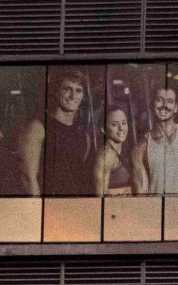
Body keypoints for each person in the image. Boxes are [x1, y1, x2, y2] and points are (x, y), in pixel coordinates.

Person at [19, 68, 96, 196]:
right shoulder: (38, 128)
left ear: (83, 95)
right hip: (48, 209)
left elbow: (78, 179)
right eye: (67, 89)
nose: (73, 96)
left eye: (78, 91)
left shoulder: (84, 136)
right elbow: (27, 178)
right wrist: (39, 212)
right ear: (56, 91)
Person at [94, 106, 135, 196]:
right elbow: (100, 197)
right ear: (103, 129)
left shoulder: (119, 152)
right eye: (114, 124)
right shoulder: (107, 155)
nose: (121, 128)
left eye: (124, 123)